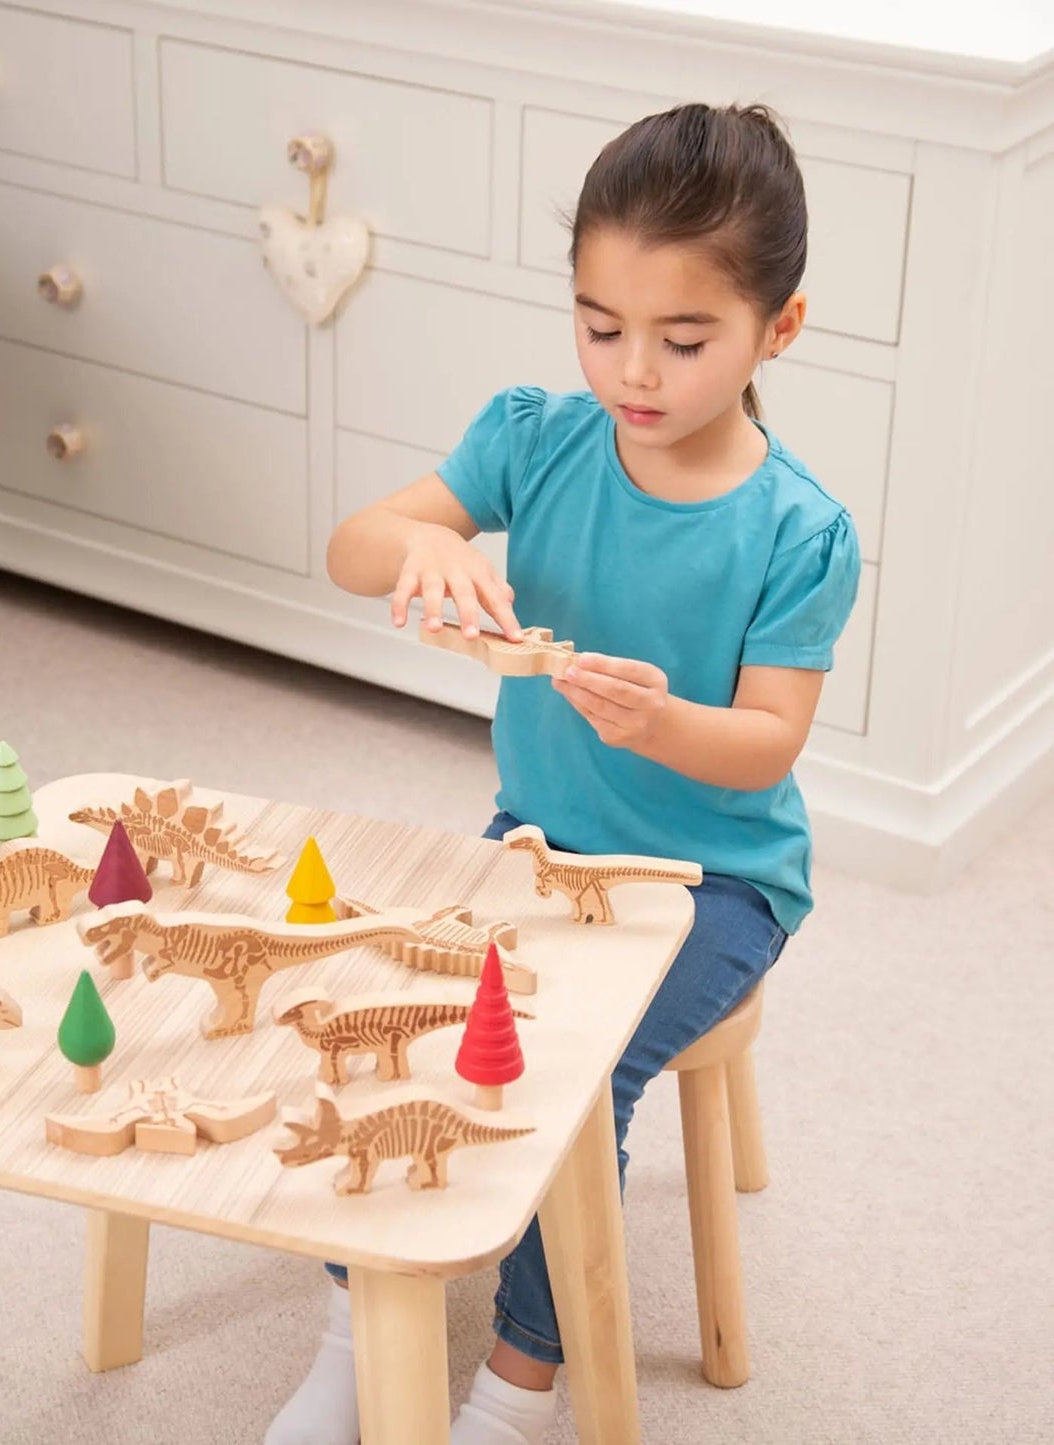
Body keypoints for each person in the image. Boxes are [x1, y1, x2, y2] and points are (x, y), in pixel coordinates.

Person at [264, 101, 862, 1445]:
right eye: (600, 325)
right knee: (382, 1017)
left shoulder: (796, 529)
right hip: (536, 838)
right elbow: (354, 545)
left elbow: (767, 742)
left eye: (683, 338)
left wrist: (656, 722)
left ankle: (516, 1379)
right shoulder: (535, 437)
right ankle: (357, 1327)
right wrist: (419, 549)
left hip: (713, 879)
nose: (631, 371)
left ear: (778, 330)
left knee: (567, 1074)